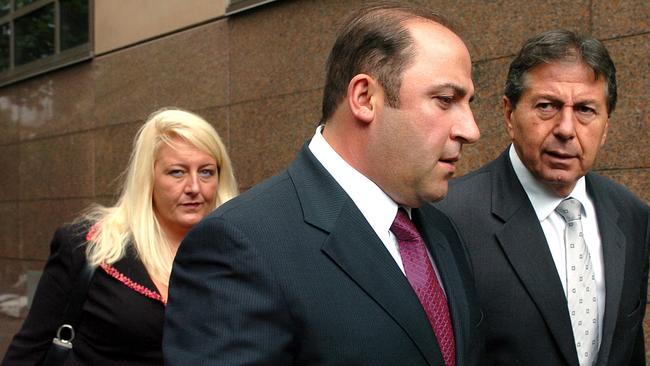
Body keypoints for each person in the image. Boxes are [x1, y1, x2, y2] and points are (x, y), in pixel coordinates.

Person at [164, 3, 483, 366]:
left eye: (469, 103)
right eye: (445, 100)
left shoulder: (441, 229)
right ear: (364, 98)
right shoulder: (240, 245)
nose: (470, 130)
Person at [436, 29, 649, 365]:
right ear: (509, 114)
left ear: (606, 127)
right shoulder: (446, 219)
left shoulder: (633, 215)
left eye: (585, 110)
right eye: (547, 106)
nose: (566, 128)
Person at [2, 108, 238, 365]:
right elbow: (28, 351)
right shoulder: (90, 245)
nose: (194, 187)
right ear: (148, 178)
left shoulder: (237, 254)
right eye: (177, 172)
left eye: (206, 172)